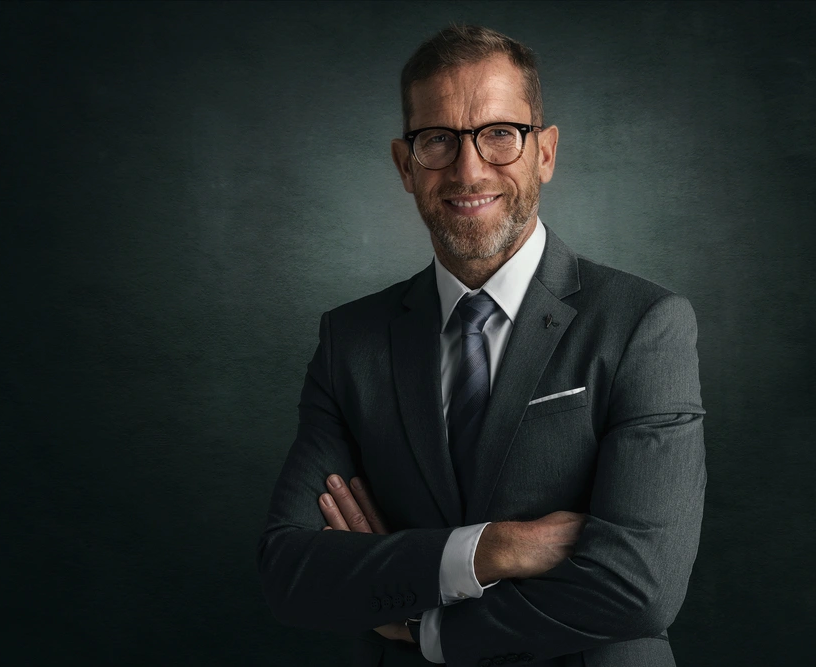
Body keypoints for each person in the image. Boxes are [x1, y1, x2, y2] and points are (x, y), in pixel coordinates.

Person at [257, 24, 706, 667]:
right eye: (437, 139)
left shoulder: (645, 324)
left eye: (500, 134)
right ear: (404, 164)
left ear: (544, 153)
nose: (469, 170)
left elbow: (639, 589)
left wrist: (423, 626)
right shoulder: (350, 341)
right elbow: (289, 572)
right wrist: (493, 549)